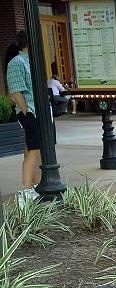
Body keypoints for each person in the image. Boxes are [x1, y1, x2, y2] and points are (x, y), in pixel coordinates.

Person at [6, 30, 42, 203]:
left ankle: (35, 186)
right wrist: (27, 112)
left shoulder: (31, 62)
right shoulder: (17, 62)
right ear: (31, 42)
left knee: (34, 151)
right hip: (31, 113)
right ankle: (26, 191)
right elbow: (15, 91)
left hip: (38, 112)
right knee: (34, 151)